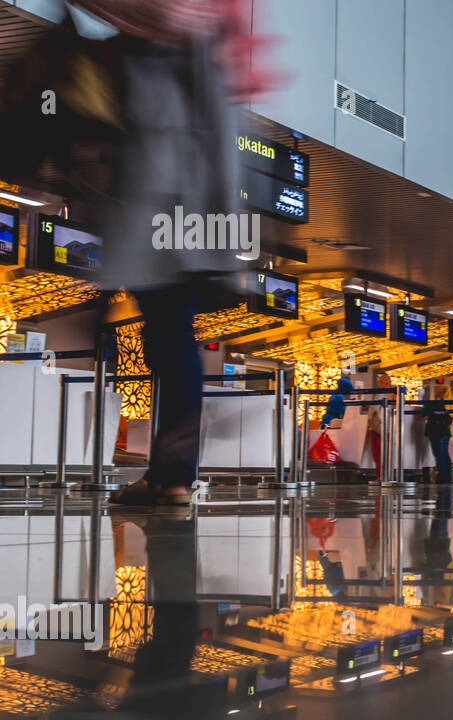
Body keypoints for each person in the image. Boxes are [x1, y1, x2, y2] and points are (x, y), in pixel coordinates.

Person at [103, 0, 274, 506]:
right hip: (172, 220)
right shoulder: (166, 51)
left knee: (171, 339)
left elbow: (219, 146)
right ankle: (168, 474)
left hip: (175, 222)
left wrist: (221, 231)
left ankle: (174, 476)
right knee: (165, 338)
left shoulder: (187, 52)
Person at [424, 381, 453, 484]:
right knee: (445, 454)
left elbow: (424, 413)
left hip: (435, 432)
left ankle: (442, 478)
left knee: (439, 455)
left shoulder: (435, 403)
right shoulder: (450, 403)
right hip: (446, 431)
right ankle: (447, 478)